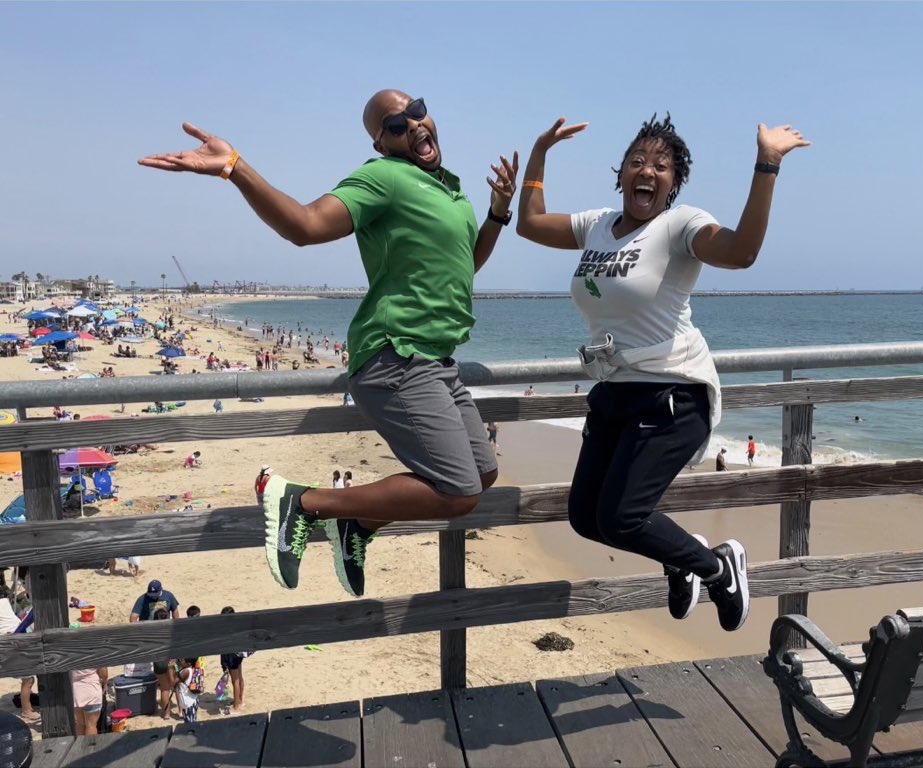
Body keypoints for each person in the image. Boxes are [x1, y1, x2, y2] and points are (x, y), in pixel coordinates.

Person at [140, 90, 519, 599]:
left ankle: (356, 526)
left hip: (437, 361)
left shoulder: (450, 191)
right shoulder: (384, 178)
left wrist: (497, 214)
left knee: (484, 472)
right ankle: (306, 502)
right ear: (381, 143)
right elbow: (305, 225)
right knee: (459, 491)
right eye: (396, 123)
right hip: (398, 356)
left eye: (418, 109)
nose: (414, 124)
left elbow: (465, 267)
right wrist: (235, 167)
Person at [517, 113, 809, 632]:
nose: (647, 170)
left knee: (622, 518)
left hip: (672, 395)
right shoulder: (597, 226)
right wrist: (540, 153)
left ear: (674, 183)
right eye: (637, 161)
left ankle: (717, 567)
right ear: (621, 174)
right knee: (586, 518)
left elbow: (742, 253)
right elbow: (530, 223)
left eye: (661, 166)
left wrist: (767, 164)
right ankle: (682, 556)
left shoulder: (679, 226)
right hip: (613, 393)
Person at [1, 588, 37, 722]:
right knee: (28, 678)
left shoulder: (5, 602)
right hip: (12, 641)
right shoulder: (4, 601)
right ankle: (26, 710)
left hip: (14, 638)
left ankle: (27, 699)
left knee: (27, 677)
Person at [218, 606, 247, 714]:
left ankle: (236, 706)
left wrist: (223, 663)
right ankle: (240, 700)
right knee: (239, 676)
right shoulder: (237, 626)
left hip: (231, 655)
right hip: (238, 654)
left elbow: (223, 647)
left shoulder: (225, 629)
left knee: (235, 680)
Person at [71, 666, 108, 735]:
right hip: (92, 689)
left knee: (80, 724)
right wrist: (105, 683)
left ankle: (79, 745)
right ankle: (89, 745)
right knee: (91, 725)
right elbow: (104, 673)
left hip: (76, 691)